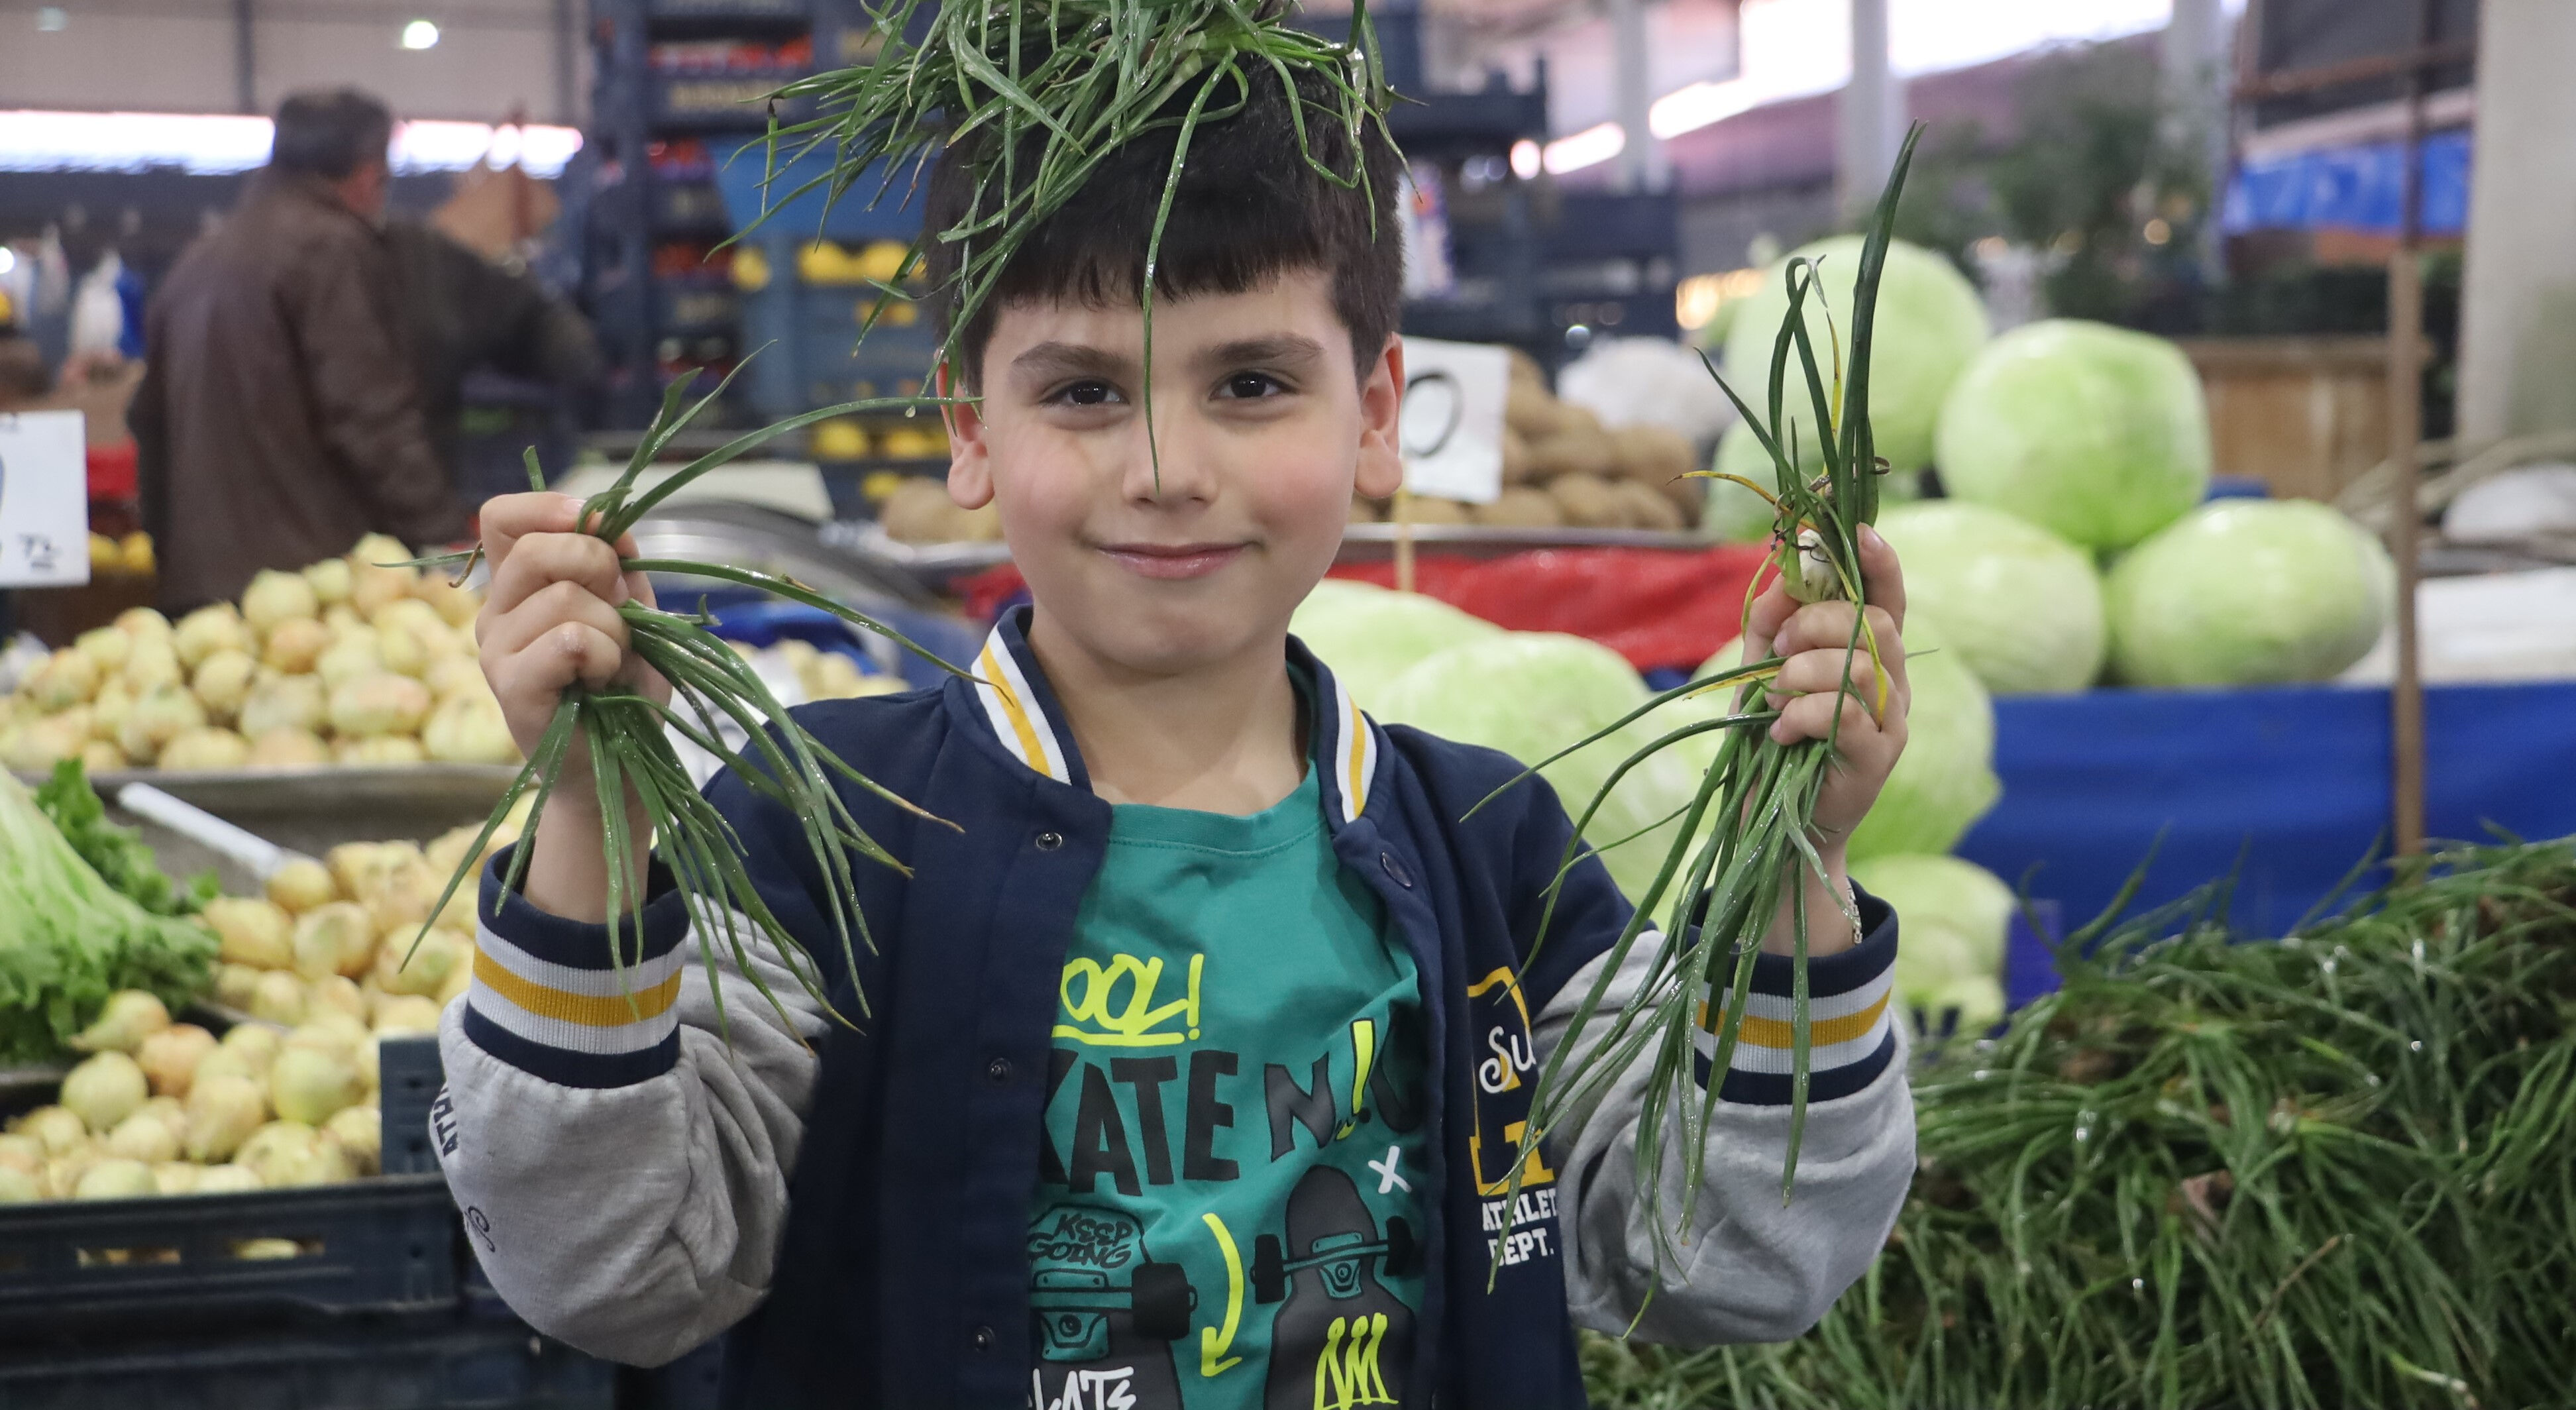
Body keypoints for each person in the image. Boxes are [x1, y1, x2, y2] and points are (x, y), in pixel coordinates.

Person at [434, 70, 1918, 1408]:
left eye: (1252, 385)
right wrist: (590, 820)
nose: (1165, 469)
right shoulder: (823, 828)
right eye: (1083, 390)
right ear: (966, 425)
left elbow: (1732, 1256)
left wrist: (1800, 857)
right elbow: (613, 1275)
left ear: (1378, 411)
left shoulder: (1494, 853)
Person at [134, 89, 468, 612]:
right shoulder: (327, 248)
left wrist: (169, 562)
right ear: (366, 172)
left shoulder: (196, 263)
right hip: (306, 592)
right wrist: (444, 536)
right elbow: (370, 414)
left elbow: (149, 431)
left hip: (201, 591)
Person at [377, 217, 602, 499]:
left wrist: (577, 363)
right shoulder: (341, 255)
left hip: (432, 477)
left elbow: (528, 312)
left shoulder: (416, 252)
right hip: (387, 501)